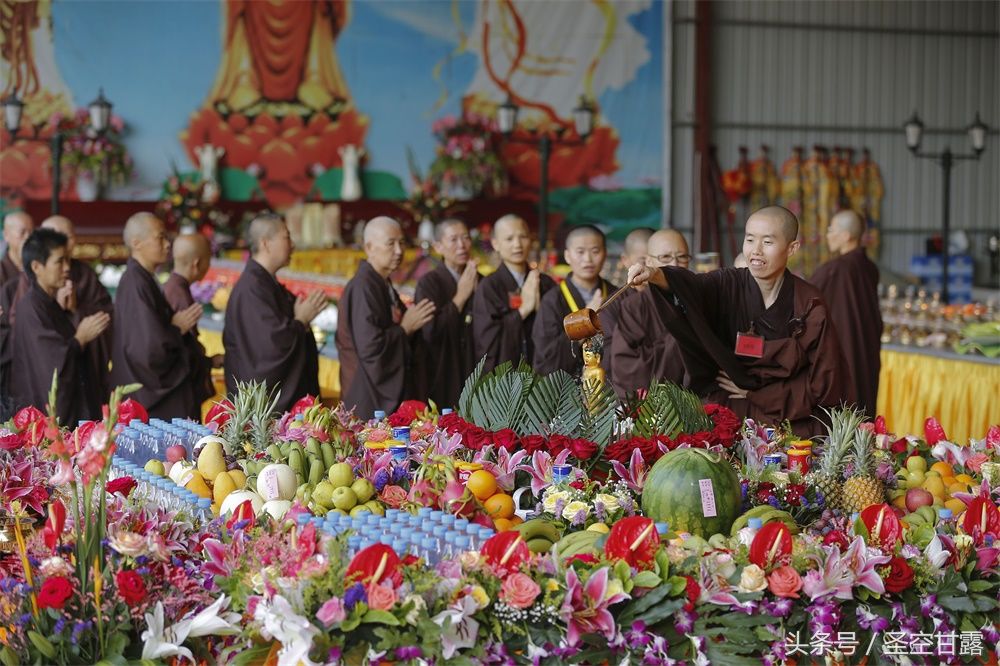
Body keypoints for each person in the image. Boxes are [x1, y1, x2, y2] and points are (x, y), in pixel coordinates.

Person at [627, 206, 850, 436]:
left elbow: (824, 381)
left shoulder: (808, 303)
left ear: (792, 248)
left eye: (768, 242)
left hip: (787, 416)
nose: (756, 251)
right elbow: (692, 286)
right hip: (729, 410)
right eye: (750, 239)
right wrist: (655, 274)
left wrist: (756, 394)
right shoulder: (728, 284)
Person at [337, 216, 435, 419]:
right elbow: (370, 348)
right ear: (369, 247)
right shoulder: (364, 286)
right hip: (366, 393)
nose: (399, 251)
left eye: (402, 243)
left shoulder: (381, 283)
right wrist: (405, 328)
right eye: (391, 244)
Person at [224, 214, 324, 413]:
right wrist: (301, 320)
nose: (293, 245)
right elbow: (271, 347)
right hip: (265, 411)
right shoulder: (252, 288)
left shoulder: (264, 283)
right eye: (287, 237)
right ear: (266, 243)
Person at [13, 229, 110, 424]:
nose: (67, 268)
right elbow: (50, 365)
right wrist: (80, 338)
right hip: (50, 420)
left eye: (68, 260)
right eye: (59, 261)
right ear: (37, 267)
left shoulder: (49, 304)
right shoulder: (31, 307)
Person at [111, 213, 202, 419]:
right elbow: (148, 350)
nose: (167, 244)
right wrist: (176, 329)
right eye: (160, 237)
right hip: (146, 394)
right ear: (137, 243)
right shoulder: (135, 283)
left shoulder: (143, 279)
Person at [811, 209, 882, 418]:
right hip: (866, 351)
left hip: (841, 352)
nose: (827, 235)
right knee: (863, 410)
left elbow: (804, 303)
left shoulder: (835, 269)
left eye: (831, 230)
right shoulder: (869, 267)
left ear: (846, 235)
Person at [40, 215, 115, 396]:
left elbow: (107, 313)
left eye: (73, 236)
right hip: (49, 371)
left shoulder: (84, 273)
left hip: (87, 368)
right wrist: (55, 307)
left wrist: (76, 309)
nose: (72, 241)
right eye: (65, 236)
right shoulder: (32, 277)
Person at [610, 229, 690, 397]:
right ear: (648, 261)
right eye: (665, 258)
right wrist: (681, 339)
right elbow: (626, 366)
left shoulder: (702, 297)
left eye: (682, 257)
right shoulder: (634, 306)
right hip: (653, 407)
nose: (674, 264)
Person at [532, 225, 618, 376]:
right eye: (580, 252)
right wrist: (585, 322)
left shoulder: (616, 295)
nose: (588, 259)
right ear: (567, 256)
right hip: (566, 392)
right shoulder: (552, 300)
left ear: (605, 254)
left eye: (595, 251)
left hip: (610, 389)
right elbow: (545, 358)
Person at [473, 214, 555, 371]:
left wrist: (540, 310)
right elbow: (486, 341)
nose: (517, 244)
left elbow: (557, 332)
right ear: (495, 244)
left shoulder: (545, 283)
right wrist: (522, 312)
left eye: (523, 237)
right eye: (509, 239)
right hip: (506, 384)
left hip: (543, 378)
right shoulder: (489, 287)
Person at [413, 219, 478, 409]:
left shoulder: (480, 279)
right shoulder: (429, 283)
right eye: (453, 239)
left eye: (465, 238)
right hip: (443, 370)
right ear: (439, 246)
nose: (462, 245)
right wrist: (460, 297)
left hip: (474, 365)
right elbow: (430, 331)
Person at [164, 233, 222, 411]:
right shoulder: (180, 295)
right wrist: (209, 362)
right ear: (197, 263)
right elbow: (185, 350)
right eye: (208, 260)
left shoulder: (172, 287)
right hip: (180, 392)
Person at [0, 211, 33, 287]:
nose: (28, 237)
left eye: (31, 232)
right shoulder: (2, 270)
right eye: (22, 232)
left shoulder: (38, 267)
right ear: (6, 235)